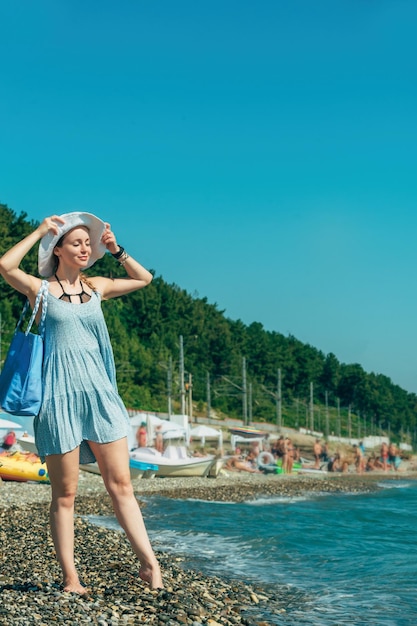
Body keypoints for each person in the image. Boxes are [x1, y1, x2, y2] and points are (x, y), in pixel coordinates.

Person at [0, 212, 163, 594]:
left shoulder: (98, 286)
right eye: (76, 242)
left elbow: (144, 279)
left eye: (87, 243)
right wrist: (41, 230)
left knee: (121, 484)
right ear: (57, 250)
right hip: (57, 399)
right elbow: (5, 265)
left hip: (101, 396)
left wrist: (116, 249)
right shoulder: (39, 290)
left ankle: (150, 565)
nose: (85, 247)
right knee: (66, 494)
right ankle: (71, 578)